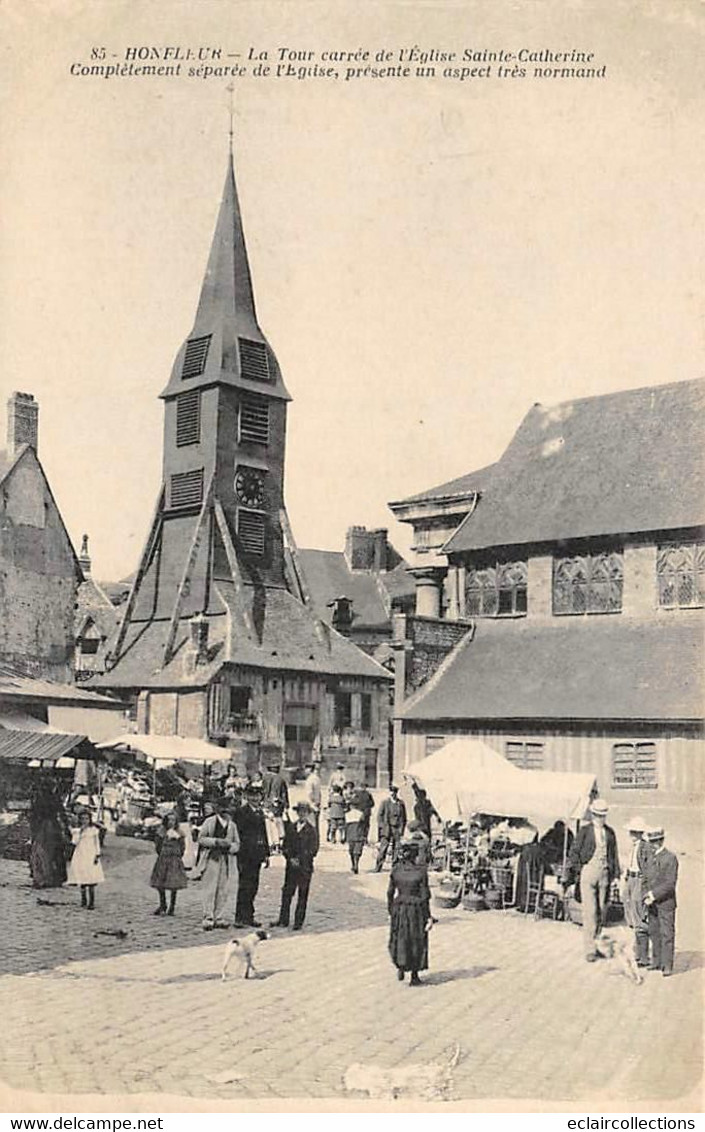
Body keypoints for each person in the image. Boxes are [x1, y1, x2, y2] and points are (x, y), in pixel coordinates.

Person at [564, 798, 620, 961]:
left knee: (601, 911)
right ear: (592, 814)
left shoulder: (610, 833)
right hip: (588, 873)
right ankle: (589, 949)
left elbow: (613, 855)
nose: (600, 818)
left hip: (604, 874)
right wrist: (577, 871)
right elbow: (574, 852)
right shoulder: (585, 831)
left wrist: (615, 876)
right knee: (590, 912)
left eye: (602, 815)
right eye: (597, 815)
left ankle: (597, 944)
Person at [387, 841, 432, 986]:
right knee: (416, 939)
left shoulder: (396, 870)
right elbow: (425, 896)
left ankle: (400, 966)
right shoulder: (421, 872)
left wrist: (390, 910)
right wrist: (428, 917)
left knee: (399, 937)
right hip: (415, 909)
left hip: (399, 907)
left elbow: (389, 892)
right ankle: (414, 975)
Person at [271, 801, 318, 931]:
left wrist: (300, 860)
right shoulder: (291, 827)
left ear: (308, 814)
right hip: (291, 867)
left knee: (302, 894)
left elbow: (313, 850)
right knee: (287, 892)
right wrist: (290, 858)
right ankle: (283, 919)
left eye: (304, 812)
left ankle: (298, 921)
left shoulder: (312, 830)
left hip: (305, 868)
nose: (301, 814)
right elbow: (286, 846)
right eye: (299, 812)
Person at [198, 797, 240, 930]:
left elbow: (237, 843)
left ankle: (219, 916)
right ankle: (208, 916)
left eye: (228, 809)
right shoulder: (209, 822)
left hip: (226, 859)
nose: (226, 811)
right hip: (211, 858)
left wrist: (230, 846)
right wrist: (215, 841)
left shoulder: (232, 826)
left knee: (223, 888)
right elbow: (201, 838)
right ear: (218, 809)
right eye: (223, 808)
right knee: (210, 887)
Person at [643, 826, 679, 977]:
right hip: (651, 902)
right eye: (651, 842)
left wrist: (653, 894)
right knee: (654, 931)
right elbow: (646, 878)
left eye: (654, 842)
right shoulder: (651, 857)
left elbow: (670, 884)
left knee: (667, 933)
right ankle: (656, 961)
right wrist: (645, 895)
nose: (652, 845)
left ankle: (667, 965)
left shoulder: (670, 858)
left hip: (665, 902)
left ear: (660, 841)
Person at [234, 785, 270, 927]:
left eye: (257, 796)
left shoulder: (260, 813)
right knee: (244, 885)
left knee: (253, 886)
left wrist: (266, 853)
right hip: (245, 854)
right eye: (252, 796)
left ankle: (249, 916)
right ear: (247, 797)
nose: (255, 798)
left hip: (257, 854)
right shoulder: (241, 812)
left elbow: (263, 834)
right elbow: (238, 834)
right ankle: (240, 917)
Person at [621, 815, 652, 968]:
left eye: (633, 832)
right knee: (630, 910)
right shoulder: (633, 847)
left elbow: (648, 869)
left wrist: (646, 887)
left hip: (639, 880)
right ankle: (639, 953)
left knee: (639, 916)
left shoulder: (645, 847)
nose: (630, 835)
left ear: (639, 833)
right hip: (631, 879)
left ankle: (643, 956)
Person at [28, 783, 71, 889]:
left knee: (40, 853)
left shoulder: (38, 800)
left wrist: (33, 831)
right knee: (54, 853)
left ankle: (41, 878)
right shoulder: (55, 799)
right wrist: (66, 828)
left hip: (42, 828)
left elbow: (33, 817)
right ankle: (53, 878)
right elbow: (62, 814)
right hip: (52, 827)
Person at [150, 810, 188, 915]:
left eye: (174, 820)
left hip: (174, 859)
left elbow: (182, 847)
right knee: (160, 883)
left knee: (173, 884)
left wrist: (178, 855)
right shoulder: (161, 832)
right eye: (169, 820)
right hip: (163, 858)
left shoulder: (180, 833)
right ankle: (163, 904)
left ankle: (172, 907)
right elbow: (158, 845)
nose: (171, 822)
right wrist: (162, 853)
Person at [67, 808, 105, 910]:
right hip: (81, 854)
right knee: (82, 877)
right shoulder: (77, 831)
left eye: (87, 819)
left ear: (90, 819)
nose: (85, 821)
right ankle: (83, 899)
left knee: (91, 878)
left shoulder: (94, 831)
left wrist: (97, 854)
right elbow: (74, 842)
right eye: (82, 819)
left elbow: (97, 843)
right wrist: (79, 832)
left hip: (90, 854)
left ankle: (91, 902)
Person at [375, 784, 407, 872]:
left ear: (396, 793)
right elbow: (379, 816)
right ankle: (378, 866)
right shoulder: (385, 803)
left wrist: (402, 829)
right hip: (387, 828)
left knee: (396, 848)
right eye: (391, 792)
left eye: (394, 792)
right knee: (383, 848)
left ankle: (394, 866)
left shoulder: (400, 804)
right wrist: (382, 826)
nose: (392, 794)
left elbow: (404, 818)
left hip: (396, 828)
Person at [343, 781, 373, 874]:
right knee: (356, 851)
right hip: (358, 835)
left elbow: (346, 827)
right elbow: (364, 826)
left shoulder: (350, 815)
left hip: (352, 836)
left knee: (353, 851)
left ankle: (354, 865)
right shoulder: (359, 814)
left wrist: (345, 836)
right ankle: (355, 864)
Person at [303, 762, 323, 839]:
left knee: (311, 824)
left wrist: (312, 802)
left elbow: (310, 793)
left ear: (309, 769)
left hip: (311, 804)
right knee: (316, 824)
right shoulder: (317, 778)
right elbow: (319, 793)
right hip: (317, 804)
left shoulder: (310, 780)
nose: (305, 771)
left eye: (306, 769)